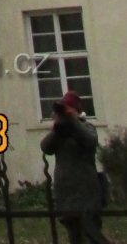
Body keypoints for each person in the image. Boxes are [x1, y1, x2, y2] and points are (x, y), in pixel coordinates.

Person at [40, 90, 109, 244]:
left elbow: (90, 141)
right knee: (74, 236)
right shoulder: (60, 132)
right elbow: (46, 147)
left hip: (86, 192)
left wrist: (74, 121)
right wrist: (57, 127)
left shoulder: (87, 127)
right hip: (66, 193)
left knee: (92, 233)